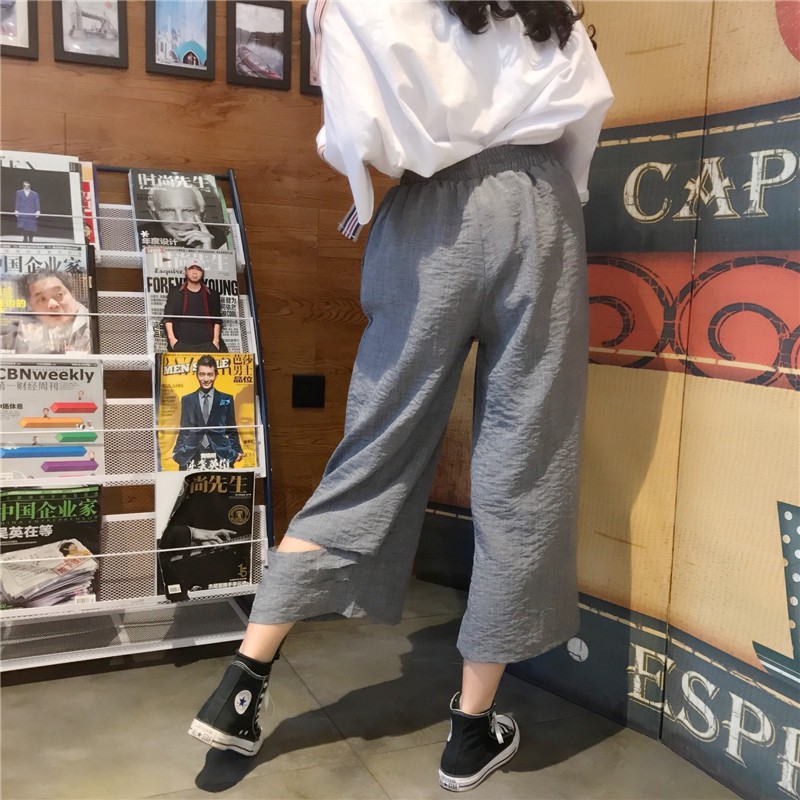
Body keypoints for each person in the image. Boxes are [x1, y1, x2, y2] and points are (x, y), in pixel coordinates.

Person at [189, 1, 613, 793]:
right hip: (539, 205)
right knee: (526, 464)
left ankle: (241, 687)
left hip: (427, 213)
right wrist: (543, 190)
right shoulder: (542, 6)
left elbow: (354, 138)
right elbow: (584, 112)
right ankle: (471, 731)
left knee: (372, 453)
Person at [171, 354, 243, 470]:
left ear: (216, 375)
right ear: (197, 375)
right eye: (202, 374)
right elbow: (184, 429)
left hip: (221, 452)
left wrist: (237, 450)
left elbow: (231, 428)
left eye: (210, 374)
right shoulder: (187, 399)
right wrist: (177, 450)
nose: (205, 379)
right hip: (191, 453)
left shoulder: (226, 398)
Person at [0, 270, 92, 355]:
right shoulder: (17, 335)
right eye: (42, 299)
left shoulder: (95, 325)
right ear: (31, 307)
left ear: (72, 294)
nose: (53, 304)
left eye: (59, 294)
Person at [137, 185, 229, 250]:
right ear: (153, 214)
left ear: (202, 213)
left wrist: (209, 253)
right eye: (168, 210)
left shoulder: (222, 238)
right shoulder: (137, 236)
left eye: (189, 211)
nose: (180, 220)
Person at [162, 262, 226, 352]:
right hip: (181, 343)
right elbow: (168, 318)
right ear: (186, 271)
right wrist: (172, 340)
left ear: (203, 273)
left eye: (198, 269)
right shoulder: (176, 292)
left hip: (207, 344)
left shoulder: (212, 294)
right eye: (191, 268)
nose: (195, 272)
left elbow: (217, 320)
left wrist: (216, 341)